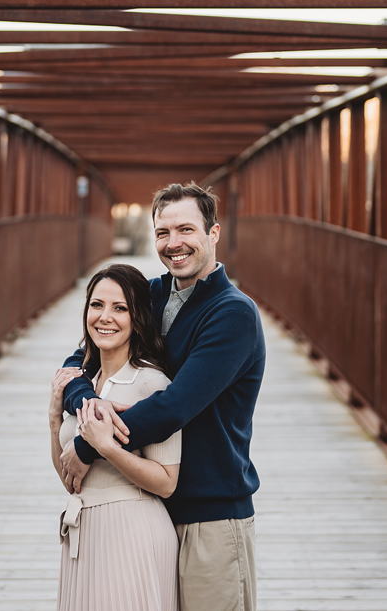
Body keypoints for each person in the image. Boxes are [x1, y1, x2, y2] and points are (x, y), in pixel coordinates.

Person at [56, 182, 266, 611]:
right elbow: (82, 359)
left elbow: (174, 408)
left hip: (210, 518)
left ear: (214, 233)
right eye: (162, 233)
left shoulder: (233, 313)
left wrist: (87, 445)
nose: (174, 244)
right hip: (152, 514)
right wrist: (83, 401)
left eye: (186, 230)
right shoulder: (151, 296)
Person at [49, 263, 182, 611]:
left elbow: (167, 483)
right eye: (97, 305)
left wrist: (106, 447)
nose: (104, 317)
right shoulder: (84, 382)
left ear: (137, 318)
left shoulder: (151, 383)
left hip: (132, 532)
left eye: (119, 308)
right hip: (84, 531)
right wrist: (53, 422)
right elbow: (69, 478)